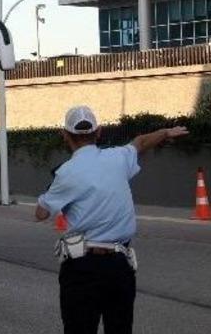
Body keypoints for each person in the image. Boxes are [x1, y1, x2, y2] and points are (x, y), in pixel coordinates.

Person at [35, 106, 188, 334]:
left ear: (65, 135)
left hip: (81, 268)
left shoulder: (65, 173)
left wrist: (53, 189)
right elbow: (142, 142)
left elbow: (41, 213)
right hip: (119, 266)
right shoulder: (118, 158)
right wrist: (166, 132)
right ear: (99, 132)